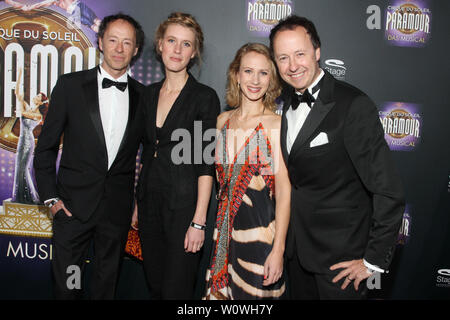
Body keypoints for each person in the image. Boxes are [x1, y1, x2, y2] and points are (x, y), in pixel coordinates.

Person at [269, 15, 405, 299]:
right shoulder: (284, 107)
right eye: (283, 57)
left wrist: (373, 260)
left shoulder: (352, 105)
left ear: (318, 52)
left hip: (342, 261)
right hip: (299, 255)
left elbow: (388, 189)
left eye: (300, 54)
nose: (292, 66)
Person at [33, 13, 145, 299]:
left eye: (127, 43)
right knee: (68, 286)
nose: (119, 49)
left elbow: (150, 156)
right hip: (72, 210)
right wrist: (51, 198)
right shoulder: (70, 86)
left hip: (116, 212)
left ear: (135, 49)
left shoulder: (145, 97)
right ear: (100, 43)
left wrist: (137, 203)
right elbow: (45, 147)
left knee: (105, 286)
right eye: (113, 40)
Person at [134, 12, 220, 299]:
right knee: (155, 285)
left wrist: (198, 221)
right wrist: (137, 202)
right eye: (171, 41)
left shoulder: (204, 98)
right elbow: (145, 153)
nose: (177, 50)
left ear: (194, 52)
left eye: (186, 44)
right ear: (160, 44)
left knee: (177, 290)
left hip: (183, 208)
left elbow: (206, 163)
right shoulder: (146, 95)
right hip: (149, 205)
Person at [204, 43, 291, 300]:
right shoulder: (222, 121)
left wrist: (278, 250)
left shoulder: (276, 125)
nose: (255, 80)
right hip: (222, 235)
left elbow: (285, 192)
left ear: (272, 79)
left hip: (261, 236)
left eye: (263, 73)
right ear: (236, 75)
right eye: (248, 71)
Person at [11, 68, 46, 204]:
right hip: (21, 141)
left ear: (40, 102)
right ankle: (20, 197)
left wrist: (20, 111)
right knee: (19, 168)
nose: (35, 96)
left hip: (28, 143)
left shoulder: (38, 115)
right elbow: (17, 94)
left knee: (24, 168)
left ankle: (28, 198)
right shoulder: (27, 107)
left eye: (38, 96)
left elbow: (24, 115)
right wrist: (19, 75)